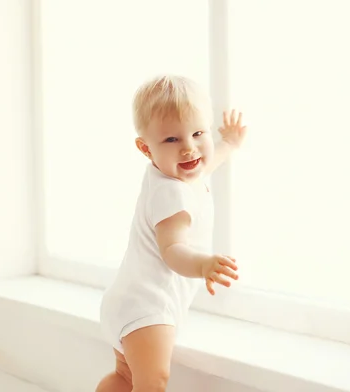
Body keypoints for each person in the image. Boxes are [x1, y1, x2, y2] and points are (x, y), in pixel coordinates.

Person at [96, 74, 247, 392]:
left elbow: (206, 162)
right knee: (153, 383)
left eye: (197, 133)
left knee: (125, 379)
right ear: (145, 148)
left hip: (126, 302)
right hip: (148, 308)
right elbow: (173, 249)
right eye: (172, 140)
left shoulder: (171, 173)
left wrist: (229, 143)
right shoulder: (172, 195)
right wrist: (203, 265)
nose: (189, 148)